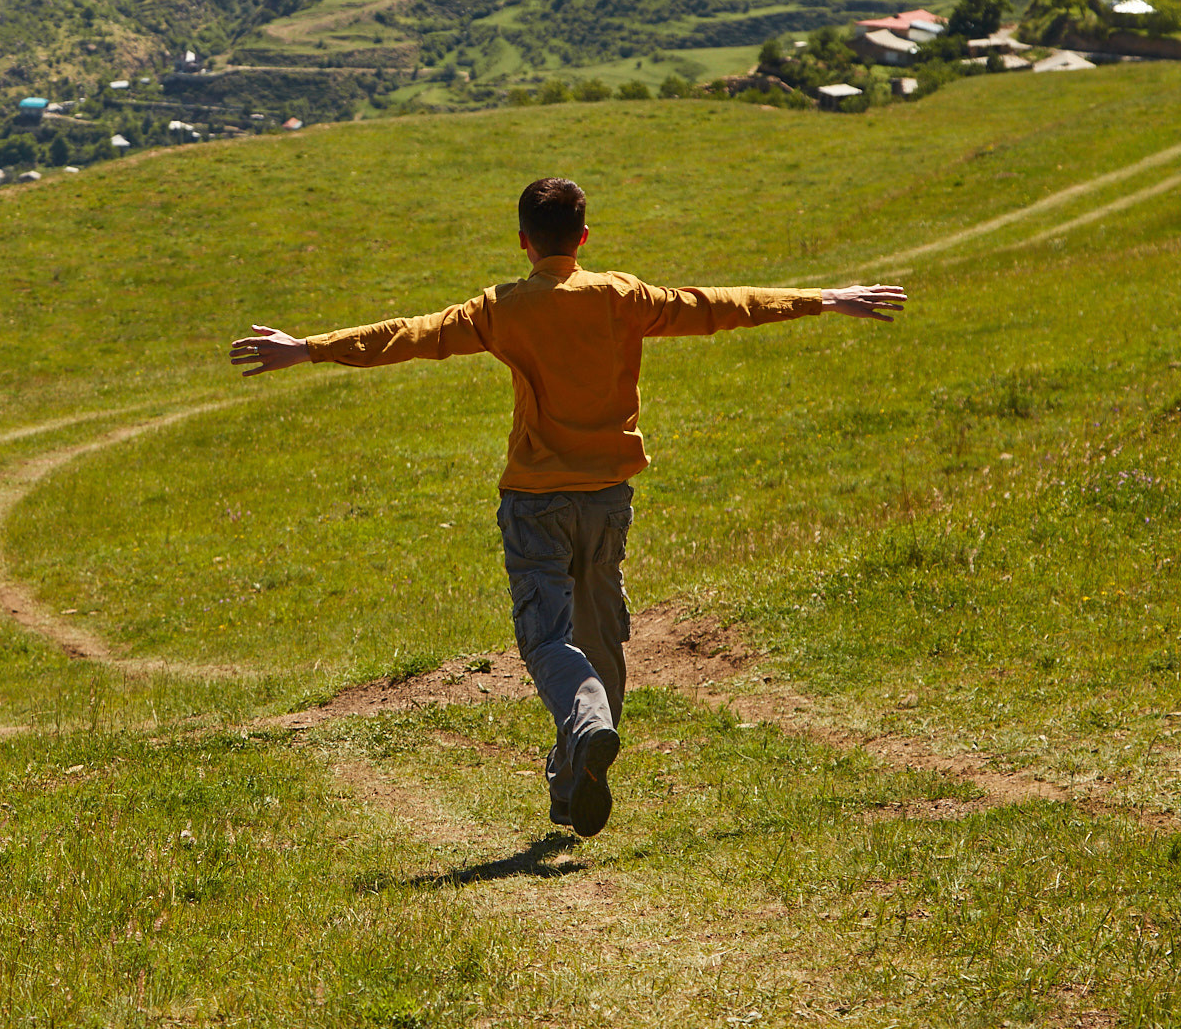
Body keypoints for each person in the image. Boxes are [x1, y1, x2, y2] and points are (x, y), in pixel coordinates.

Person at [228, 177, 906, 838]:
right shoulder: (622, 296)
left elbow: (407, 335)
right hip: (606, 501)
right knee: (600, 638)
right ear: (582, 237)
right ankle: (569, 778)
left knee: (548, 640)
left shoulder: (501, 308)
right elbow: (718, 304)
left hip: (536, 503)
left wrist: (308, 348)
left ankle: (586, 730)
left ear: (524, 241)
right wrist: (824, 299)